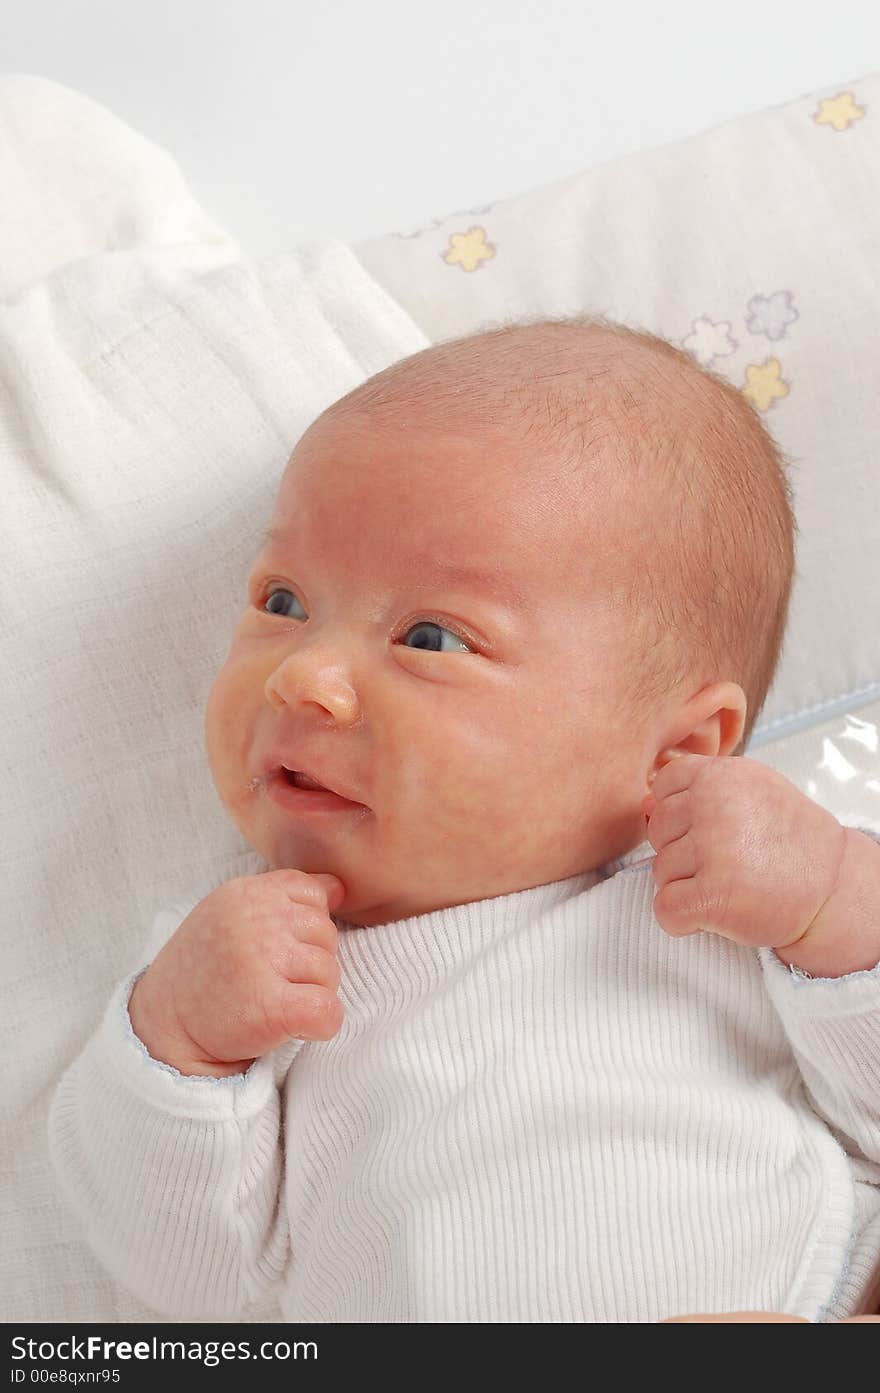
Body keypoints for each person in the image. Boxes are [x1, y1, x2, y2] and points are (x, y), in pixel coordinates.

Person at [48, 315, 880, 1322]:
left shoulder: (722, 907)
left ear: (676, 754)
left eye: (430, 636)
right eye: (282, 598)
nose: (305, 676)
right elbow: (186, 1286)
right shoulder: (244, 974)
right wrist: (176, 1049)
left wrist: (834, 908)